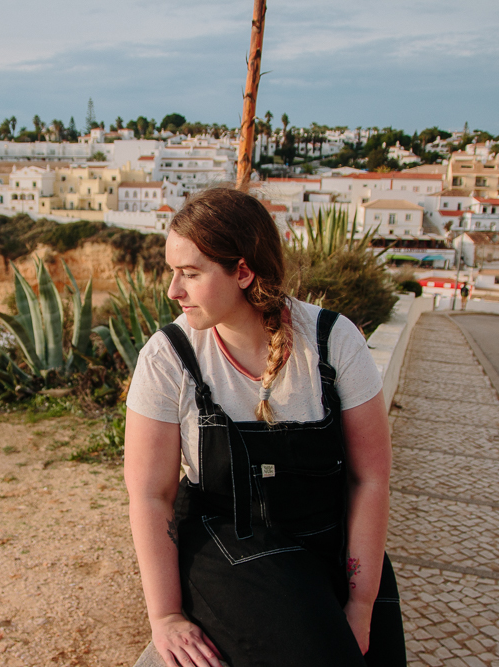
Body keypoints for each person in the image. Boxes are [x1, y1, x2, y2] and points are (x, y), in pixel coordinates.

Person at [124, 188, 405, 667]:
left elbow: (370, 477)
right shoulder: (168, 356)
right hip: (228, 544)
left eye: (190, 273)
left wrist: (361, 606)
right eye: (173, 272)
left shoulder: (333, 342)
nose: (173, 291)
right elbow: (151, 495)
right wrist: (166, 616)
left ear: (244, 271)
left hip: (325, 538)